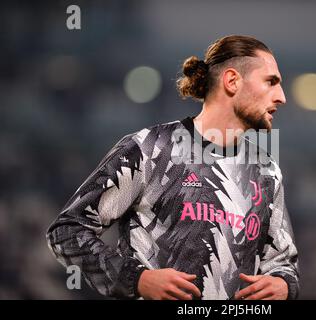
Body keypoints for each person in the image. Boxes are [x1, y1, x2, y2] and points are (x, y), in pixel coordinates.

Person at [46, 35, 300, 300]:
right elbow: (67, 231)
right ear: (232, 81)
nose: (281, 97)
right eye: (271, 82)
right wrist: (137, 279)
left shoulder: (267, 171)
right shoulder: (150, 148)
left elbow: (283, 262)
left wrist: (284, 284)